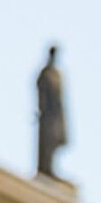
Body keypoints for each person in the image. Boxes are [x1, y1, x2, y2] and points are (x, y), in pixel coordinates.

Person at [34, 42, 68, 181]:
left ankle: (51, 169)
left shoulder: (57, 75)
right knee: (46, 144)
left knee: (55, 140)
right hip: (47, 115)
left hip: (56, 114)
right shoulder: (46, 73)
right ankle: (45, 169)